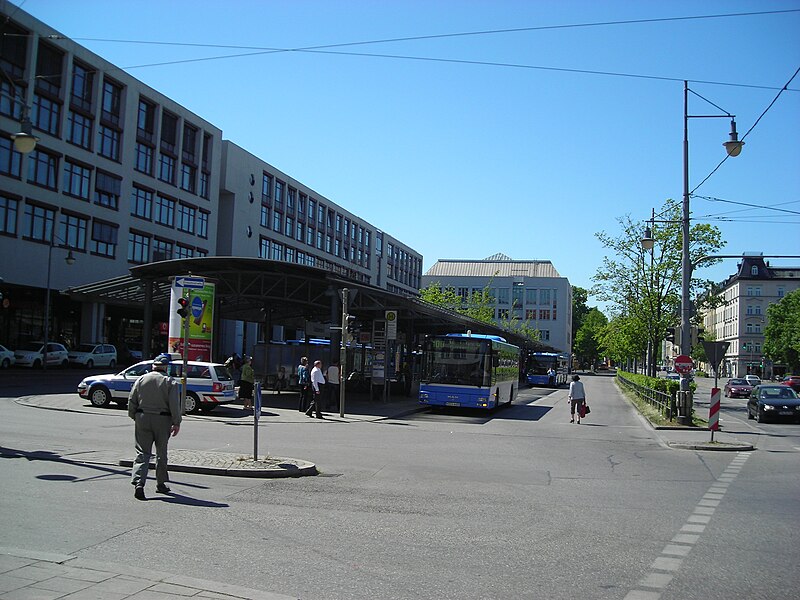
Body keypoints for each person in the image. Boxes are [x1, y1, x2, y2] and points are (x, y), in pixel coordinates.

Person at [128, 354, 181, 500]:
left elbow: (132, 399)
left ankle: (139, 483)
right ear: (166, 367)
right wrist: (177, 422)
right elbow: (174, 405)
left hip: (142, 417)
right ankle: (161, 483)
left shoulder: (141, 379)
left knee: (142, 453)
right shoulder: (170, 382)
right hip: (163, 420)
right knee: (161, 453)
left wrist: (134, 416)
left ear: (153, 366)